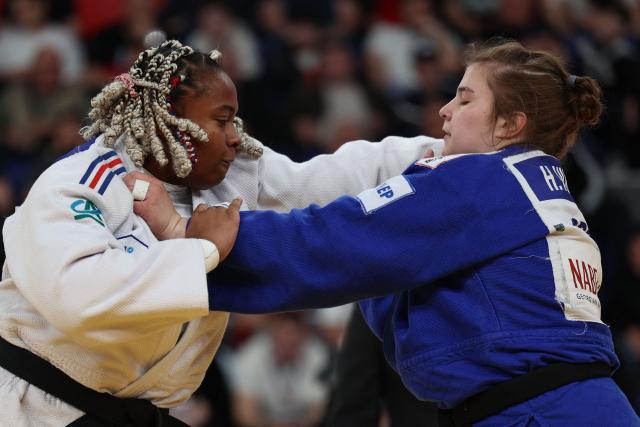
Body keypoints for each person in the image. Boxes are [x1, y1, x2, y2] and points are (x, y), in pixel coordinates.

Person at [139, 40, 640, 426]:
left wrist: (197, 240)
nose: (445, 110)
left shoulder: (480, 181)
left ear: (510, 125)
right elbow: (382, 269)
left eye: (464, 100)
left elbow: (336, 246)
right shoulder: (541, 190)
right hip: (564, 406)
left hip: (537, 412)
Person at [0, 38, 440, 426]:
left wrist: (443, 151)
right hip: (36, 407)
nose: (235, 137)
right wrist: (199, 247)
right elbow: (80, 298)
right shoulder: (80, 182)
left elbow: (330, 180)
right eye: (221, 120)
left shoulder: (229, 178)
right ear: (166, 122)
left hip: (130, 409)